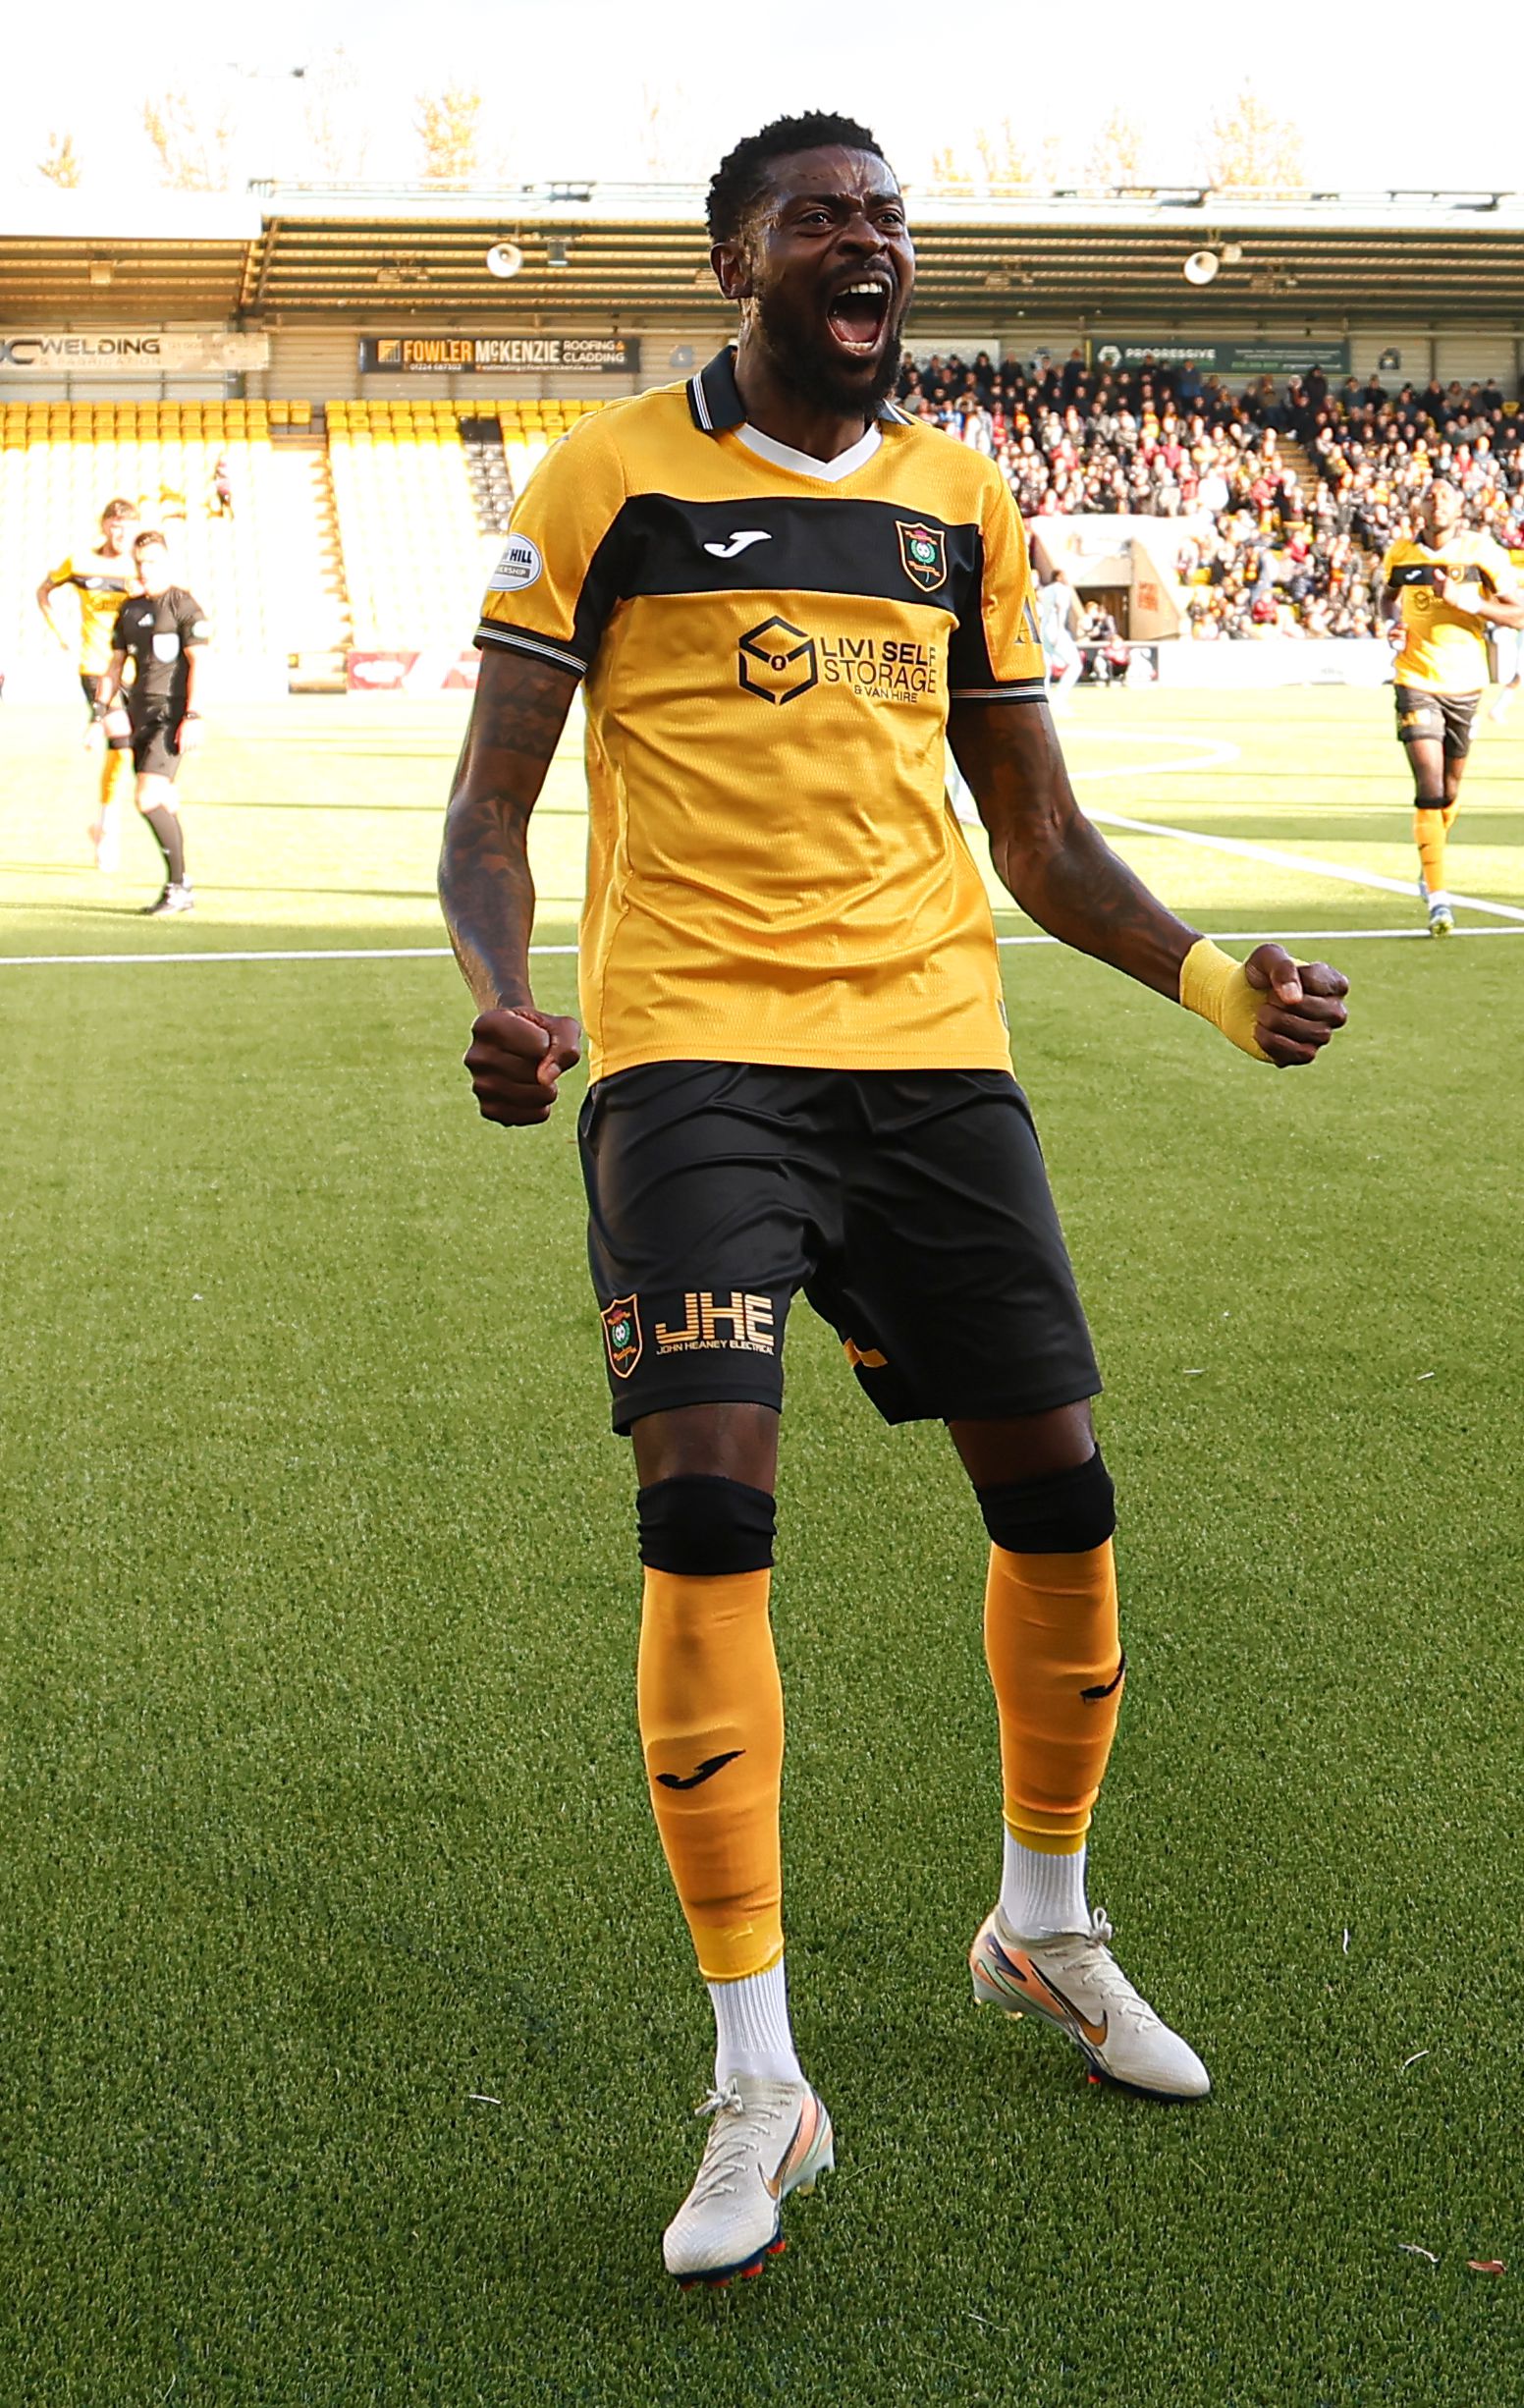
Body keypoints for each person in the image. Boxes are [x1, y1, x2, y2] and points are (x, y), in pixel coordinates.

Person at [439, 110, 1350, 2294]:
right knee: (703, 1515)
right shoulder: (601, 484)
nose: (867, 244)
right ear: (735, 258)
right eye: (820, 218)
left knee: (1059, 1497)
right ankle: (758, 2070)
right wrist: (500, 995)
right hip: (692, 1062)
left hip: (934, 1060)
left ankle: (1041, 1923)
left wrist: (1210, 983)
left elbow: (1034, 830)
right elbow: (487, 809)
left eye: (885, 218)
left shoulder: (961, 501)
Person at [1381, 479, 1524, 933]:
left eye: (1446, 495)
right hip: (1414, 679)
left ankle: (1431, 857)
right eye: (1430, 495)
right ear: (1419, 508)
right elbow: (1387, 601)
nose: (1437, 501)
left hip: (1466, 685)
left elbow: (1520, 613)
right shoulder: (1402, 554)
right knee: (1429, 782)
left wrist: (1471, 602)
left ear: (1461, 506)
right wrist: (1392, 626)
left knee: (1449, 787)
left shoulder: (1483, 553)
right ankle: (1439, 899)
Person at [93, 531, 209, 915]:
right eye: (141, 562)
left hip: (170, 715)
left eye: (153, 561)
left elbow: (200, 663)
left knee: (146, 798)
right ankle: (182, 885)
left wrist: (193, 715)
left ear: (168, 562)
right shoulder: (129, 609)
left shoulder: (183, 605)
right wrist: (99, 712)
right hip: (139, 716)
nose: (146, 569)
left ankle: (178, 887)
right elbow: (113, 666)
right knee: (162, 800)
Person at [35, 497, 140, 872]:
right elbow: (43, 591)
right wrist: (60, 631)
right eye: (115, 526)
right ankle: (108, 830)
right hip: (96, 667)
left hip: (135, 670)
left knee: (125, 753)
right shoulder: (79, 562)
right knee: (121, 743)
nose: (121, 533)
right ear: (105, 527)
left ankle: (101, 826)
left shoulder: (139, 565)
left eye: (127, 527)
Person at [1038, 565, 1083, 702]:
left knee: (1046, 666)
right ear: (1058, 577)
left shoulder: (1046, 590)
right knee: (1076, 664)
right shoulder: (1062, 589)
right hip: (1055, 629)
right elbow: (1060, 608)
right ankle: (1059, 697)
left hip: (1043, 628)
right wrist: (1059, 630)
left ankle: (1045, 697)